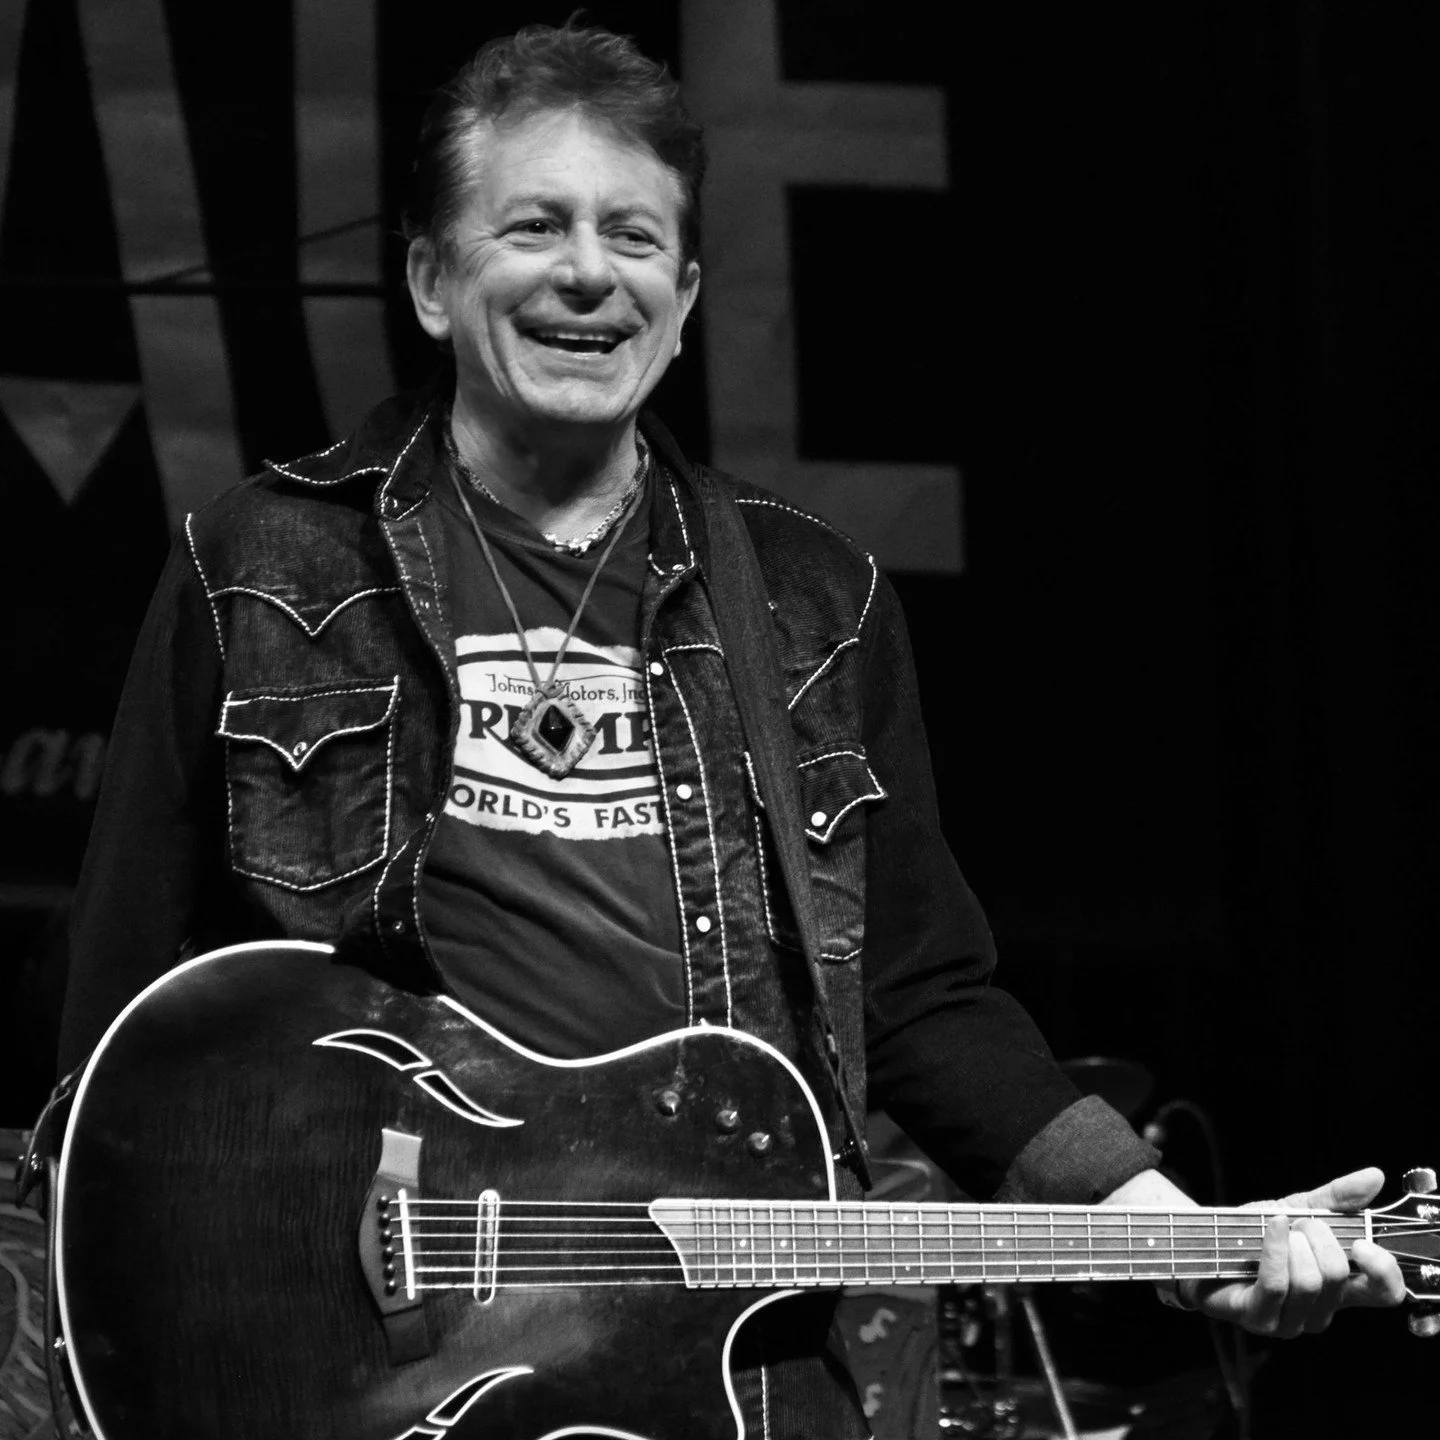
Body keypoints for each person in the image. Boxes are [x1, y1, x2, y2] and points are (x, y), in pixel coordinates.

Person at [57, 22, 1403, 1437]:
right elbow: (121, 1032)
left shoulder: (813, 598)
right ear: (431, 279)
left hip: (732, 1380)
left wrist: (1181, 1232)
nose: (591, 271)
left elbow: (925, 996)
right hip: (363, 1369)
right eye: (537, 225)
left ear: (686, 299)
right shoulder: (264, 560)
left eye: (636, 238)